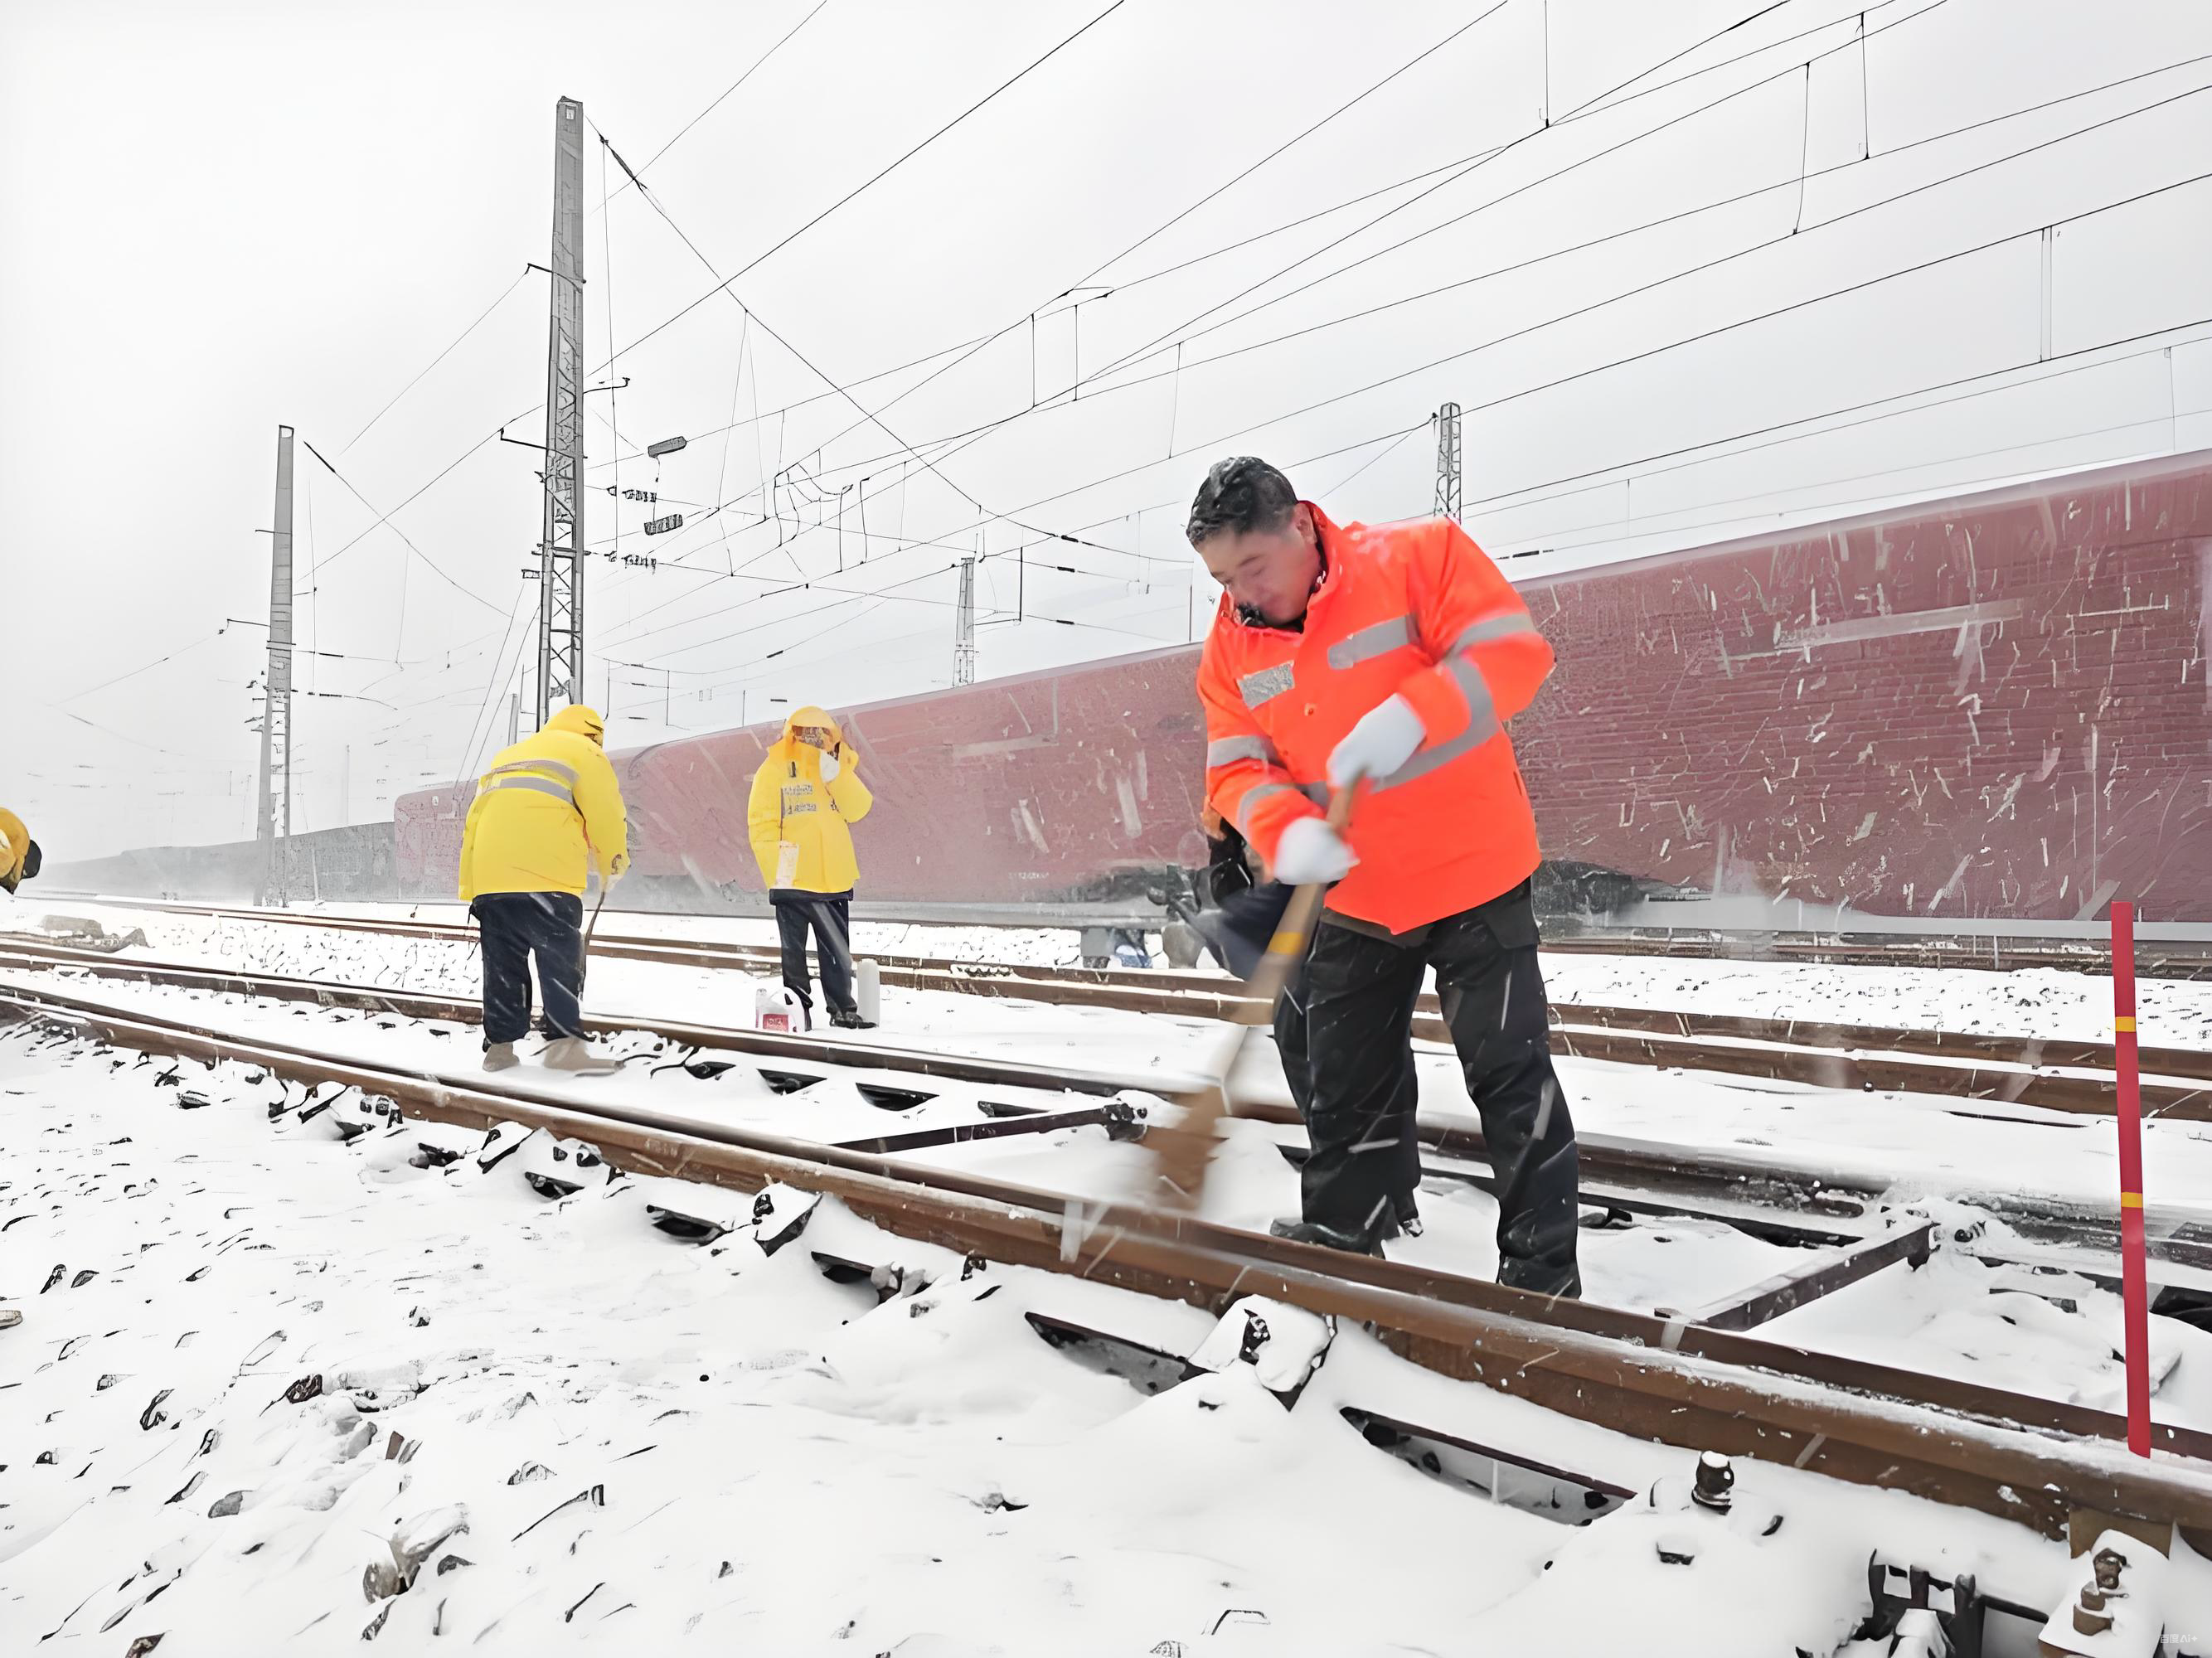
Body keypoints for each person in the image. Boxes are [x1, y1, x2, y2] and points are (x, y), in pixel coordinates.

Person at [1189, 454, 1580, 1297]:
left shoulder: (1418, 558)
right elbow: (1234, 765)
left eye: (1252, 566)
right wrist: (1284, 828)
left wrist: (1414, 714)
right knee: (1343, 1081)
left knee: (1510, 1077)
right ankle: (1344, 1237)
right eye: (1222, 577)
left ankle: (1541, 1273)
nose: (1241, 592)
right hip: (1355, 892)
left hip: (1473, 871)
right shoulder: (1231, 644)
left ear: (1299, 524)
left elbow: (1513, 653)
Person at [1195, 809, 1422, 1239]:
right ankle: (1384, 1200)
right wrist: (1223, 844)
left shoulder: (1284, 777)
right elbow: (1235, 881)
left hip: (1336, 924)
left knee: (1341, 1070)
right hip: (1320, 926)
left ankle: (1366, 1211)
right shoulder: (1263, 790)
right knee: (1351, 1061)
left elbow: (1240, 882)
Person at [458, 704, 629, 1075]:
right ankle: (564, 1045)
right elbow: (606, 813)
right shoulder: (586, 752)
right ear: (595, 735)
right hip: (546, 877)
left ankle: (499, 1049)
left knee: (503, 965)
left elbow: (474, 822)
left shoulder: (507, 756)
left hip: (492, 881)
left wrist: (473, 887)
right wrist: (613, 864)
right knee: (559, 961)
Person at [748, 705, 875, 1029]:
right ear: (793, 735)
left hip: (833, 876)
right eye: (807, 734)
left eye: (821, 734)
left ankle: (843, 1009)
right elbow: (761, 822)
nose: (814, 740)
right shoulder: (774, 769)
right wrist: (776, 869)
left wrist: (838, 776)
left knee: (836, 949)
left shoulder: (837, 766)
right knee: (794, 953)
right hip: (792, 876)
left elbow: (859, 809)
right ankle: (796, 1007)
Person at [0, 808, 41, 895]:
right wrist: (10, 889)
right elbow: (14, 878)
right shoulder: (19, 853)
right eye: (24, 874)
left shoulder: (21, 831)